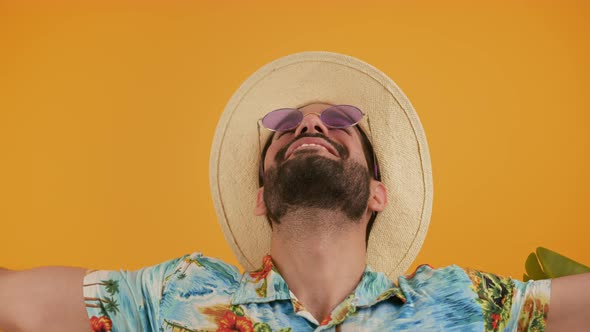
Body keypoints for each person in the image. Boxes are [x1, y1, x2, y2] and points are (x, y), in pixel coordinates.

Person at [0, 52, 588, 332]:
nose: (309, 126)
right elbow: (17, 303)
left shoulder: (458, 303)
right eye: (287, 128)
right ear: (261, 196)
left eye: (336, 122)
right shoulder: (176, 293)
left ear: (378, 193)